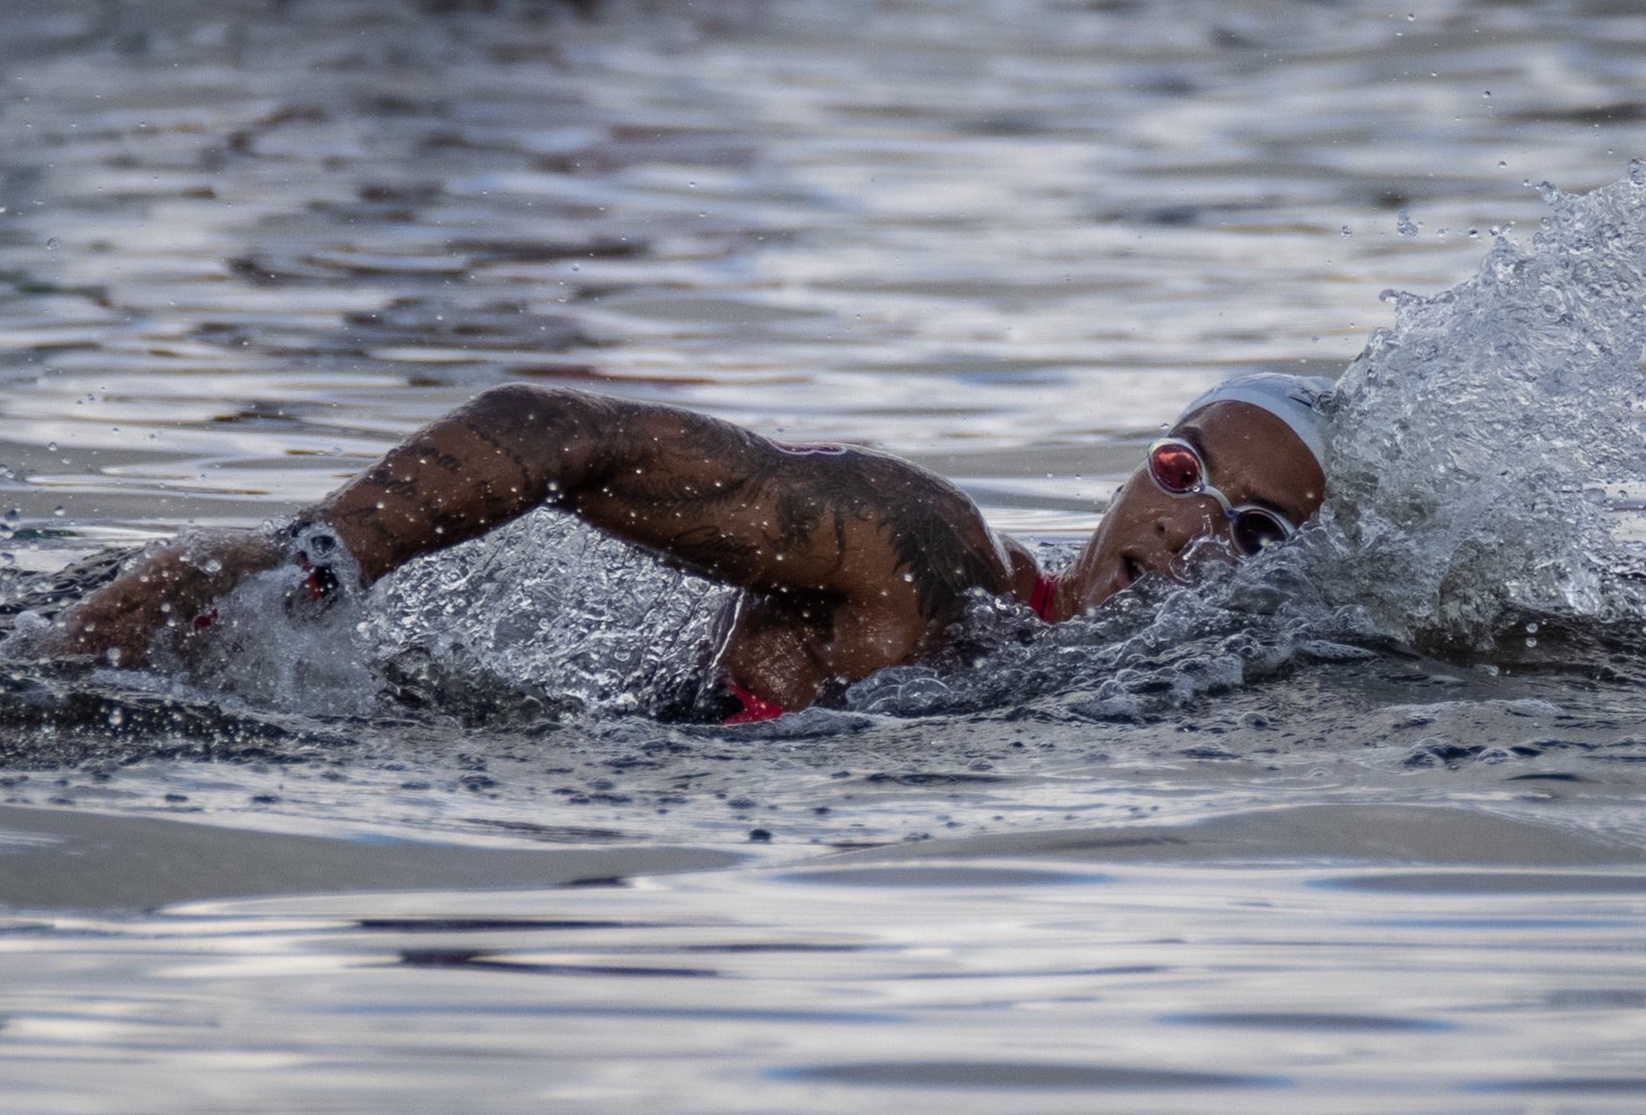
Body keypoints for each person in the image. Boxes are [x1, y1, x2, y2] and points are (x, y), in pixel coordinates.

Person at [44, 372, 1331, 721]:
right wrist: (323, 568)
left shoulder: (1132, 699)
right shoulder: (925, 551)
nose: (1191, 530)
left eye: (1256, 531)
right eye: (1181, 470)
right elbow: (555, 425)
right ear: (1133, 468)